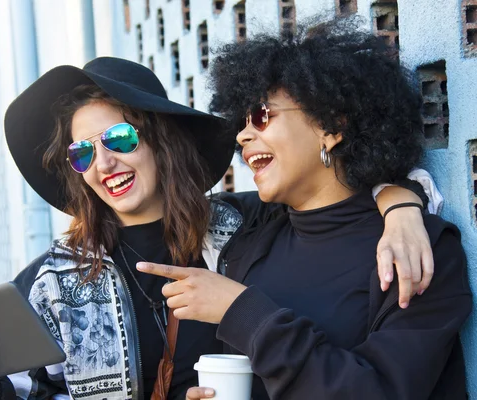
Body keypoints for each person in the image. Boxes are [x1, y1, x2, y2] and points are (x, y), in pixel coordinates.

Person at [0, 57, 441, 400]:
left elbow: (335, 190)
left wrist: (400, 203)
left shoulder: (248, 227)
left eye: (120, 137)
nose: (104, 162)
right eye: (83, 152)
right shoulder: (51, 284)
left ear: (161, 141)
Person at [137, 18, 472, 400]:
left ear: (331, 125)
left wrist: (244, 311)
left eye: (262, 114)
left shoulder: (417, 251)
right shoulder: (250, 242)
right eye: (242, 122)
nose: (244, 135)